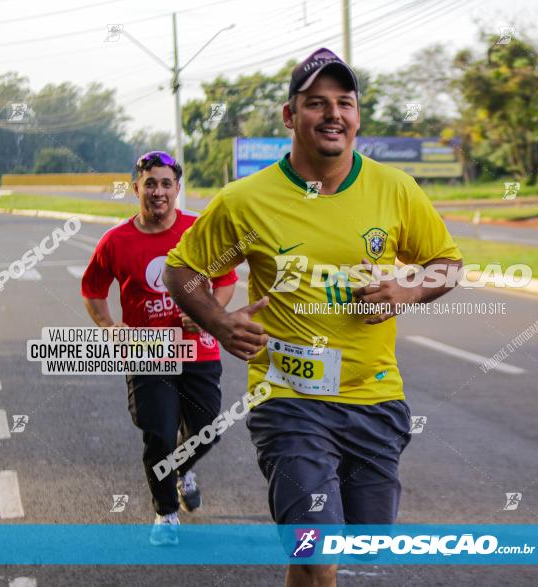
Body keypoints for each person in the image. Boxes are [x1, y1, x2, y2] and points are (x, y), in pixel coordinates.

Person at [163, 47, 463, 586]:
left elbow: (448, 265)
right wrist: (218, 320)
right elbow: (181, 269)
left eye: (344, 103)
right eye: (315, 103)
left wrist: (409, 290)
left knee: (364, 552)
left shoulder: (394, 189)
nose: (333, 114)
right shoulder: (245, 201)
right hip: (288, 402)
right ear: (289, 116)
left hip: (375, 399)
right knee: (315, 553)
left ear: (357, 116)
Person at [81, 151, 238, 546]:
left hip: (198, 349)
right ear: (136, 188)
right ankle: (166, 512)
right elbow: (92, 289)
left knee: (206, 432)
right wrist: (108, 327)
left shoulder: (198, 230)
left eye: (166, 183)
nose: (158, 191)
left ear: (177, 189)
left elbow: (226, 278)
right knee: (160, 435)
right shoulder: (115, 241)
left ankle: (183, 472)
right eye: (150, 183)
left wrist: (209, 311)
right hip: (147, 351)